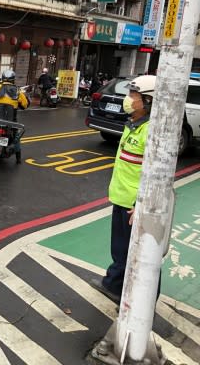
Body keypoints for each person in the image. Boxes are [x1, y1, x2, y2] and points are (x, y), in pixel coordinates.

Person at [91, 75, 158, 303]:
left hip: (134, 205)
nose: (127, 100)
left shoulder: (151, 131)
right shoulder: (133, 125)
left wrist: (142, 204)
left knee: (139, 254)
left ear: (148, 101)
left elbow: (155, 175)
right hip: (122, 198)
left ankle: (141, 301)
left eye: (133, 96)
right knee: (120, 249)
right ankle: (114, 285)